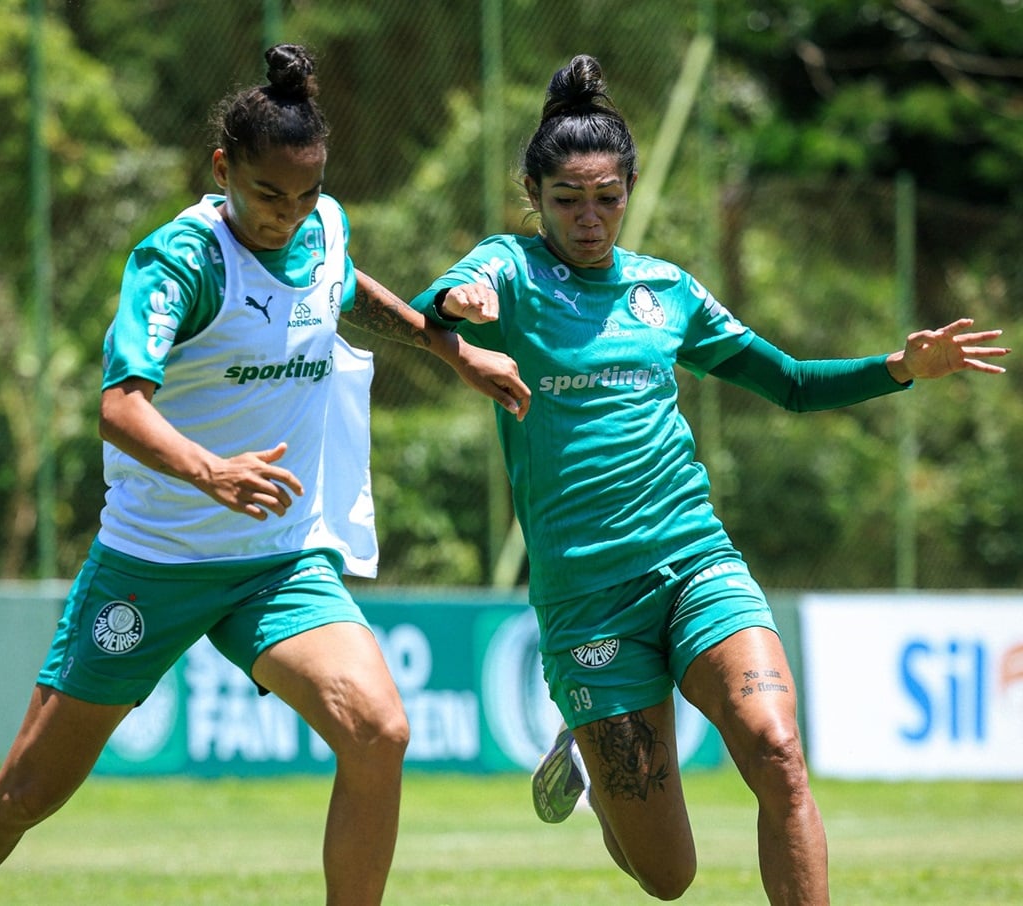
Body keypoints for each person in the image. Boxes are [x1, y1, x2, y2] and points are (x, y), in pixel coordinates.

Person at [0, 44, 528, 906]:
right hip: (154, 563)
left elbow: (343, 287)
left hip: (278, 563)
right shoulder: (182, 263)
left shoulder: (324, 228)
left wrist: (450, 350)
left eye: (306, 195)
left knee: (379, 730)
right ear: (222, 168)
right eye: (267, 194)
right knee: (26, 793)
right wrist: (212, 473)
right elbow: (119, 407)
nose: (288, 214)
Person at [410, 54, 1010, 905]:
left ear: (629, 189)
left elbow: (791, 384)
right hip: (588, 599)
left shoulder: (667, 292)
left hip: (696, 564)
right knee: (668, 876)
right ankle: (587, 746)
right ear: (533, 198)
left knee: (776, 750)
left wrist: (899, 367)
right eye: (568, 201)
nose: (589, 219)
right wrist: (458, 307)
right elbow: (437, 300)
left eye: (607, 198)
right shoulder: (510, 268)